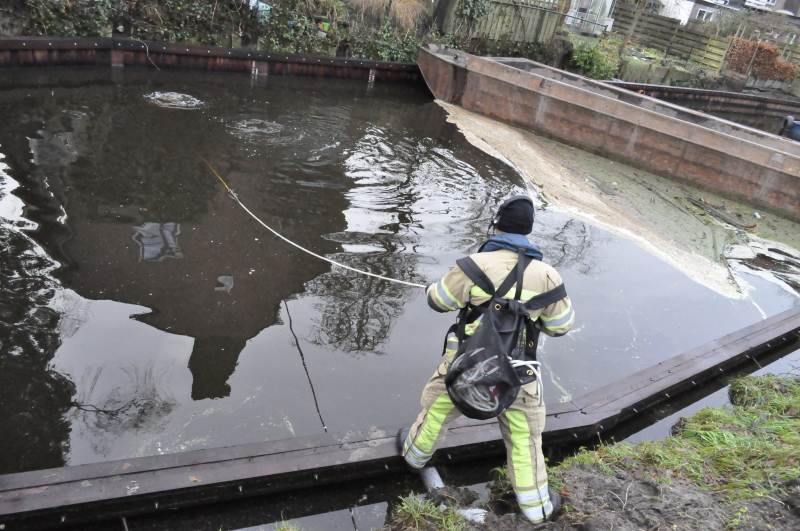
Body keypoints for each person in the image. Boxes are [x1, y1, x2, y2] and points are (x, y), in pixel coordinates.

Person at [397, 195, 574, 524]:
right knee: (524, 437)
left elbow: (439, 300)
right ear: (528, 232)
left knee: (436, 410)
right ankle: (537, 508)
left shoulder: (473, 265)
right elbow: (561, 327)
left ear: (497, 228)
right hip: (518, 374)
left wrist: (434, 288)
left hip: (468, 367)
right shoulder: (549, 276)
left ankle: (414, 457)